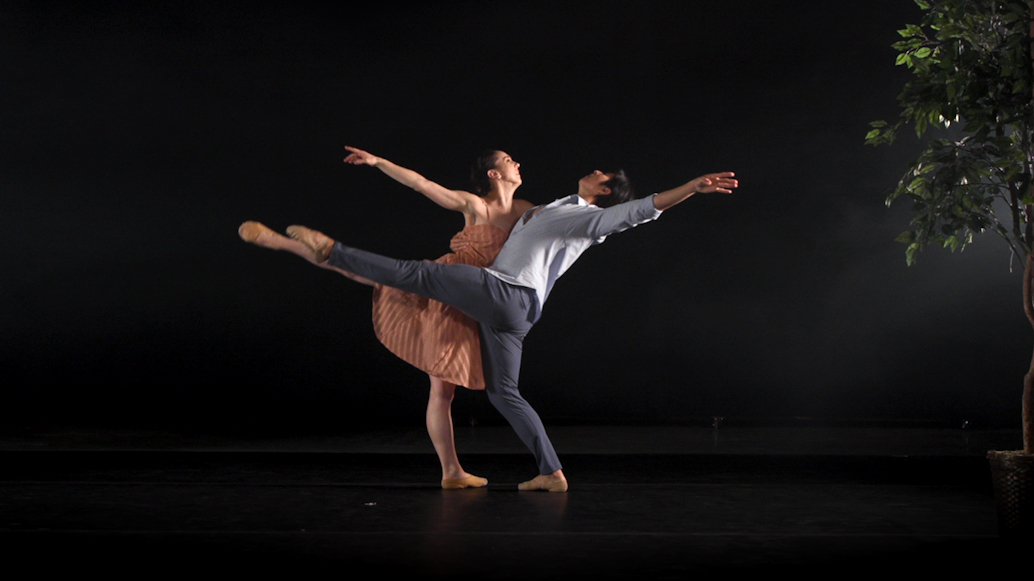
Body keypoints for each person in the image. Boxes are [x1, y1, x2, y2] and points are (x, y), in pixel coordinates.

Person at [284, 167, 738, 492]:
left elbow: (638, 211)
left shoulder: (587, 219)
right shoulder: (553, 208)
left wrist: (691, 188)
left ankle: (333, 251)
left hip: (505, 294)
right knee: (504, 394)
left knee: (420, 275)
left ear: (602, 191)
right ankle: (552, 473)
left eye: (603, 174)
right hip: (516, 313)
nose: (594, 170)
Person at [239, 146, 535, 490]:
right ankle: (284, 243)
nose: (517, 162)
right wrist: (380, 162)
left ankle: (453, 473)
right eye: (508, 160)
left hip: (480, 299)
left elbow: (563, 224)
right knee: (373, 281)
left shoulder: (525, 212)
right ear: (493, 174)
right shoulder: (475, 205)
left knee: (443, 390)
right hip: (449, 283)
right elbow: (422, 184)